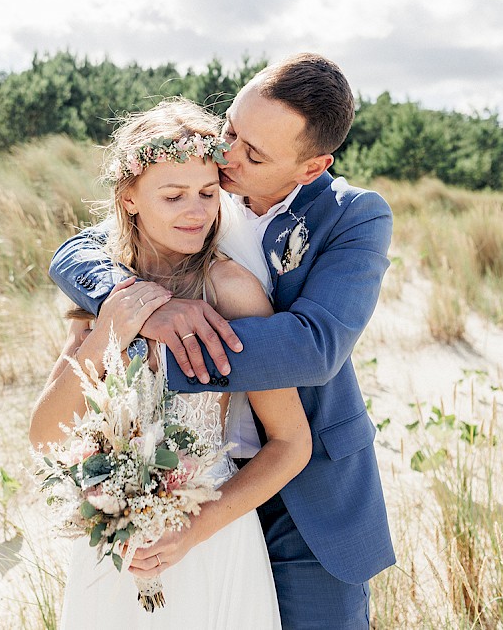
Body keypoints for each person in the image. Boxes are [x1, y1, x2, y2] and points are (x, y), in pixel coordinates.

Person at [48, 54, 396, 628]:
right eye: (232, 129)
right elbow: (78, 251)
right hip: (172, 481)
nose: (228, 154)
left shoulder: (352, 217)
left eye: (254, 154)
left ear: (311, 168)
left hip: (303, 490)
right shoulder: (200, 186)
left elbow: (314, 347)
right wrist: (147, 306)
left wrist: (148, 355)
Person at [29, 99, 313, 629]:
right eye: (174, 194)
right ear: (130, 198)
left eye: (208, 193)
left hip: (209, 534)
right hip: (113, 538)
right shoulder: (102, 290)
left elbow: (291, 444)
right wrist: (112, 329)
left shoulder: (232, 290)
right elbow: (47, 435)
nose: (197, 211)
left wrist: (192, 531)